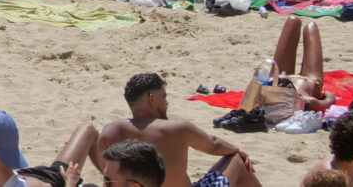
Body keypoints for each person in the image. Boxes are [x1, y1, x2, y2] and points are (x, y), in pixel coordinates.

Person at [95, 73, 260, 187]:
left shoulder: (109, 133)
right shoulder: (178, 129)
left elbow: (111, 180)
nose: (166, 103)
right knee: (238, 160)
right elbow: (214, 145)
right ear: (152, 99)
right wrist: (236, 149)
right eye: (164, 97)